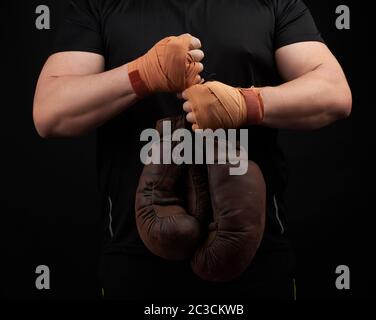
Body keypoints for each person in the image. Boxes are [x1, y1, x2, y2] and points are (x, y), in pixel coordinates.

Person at [33, 0, 352, 300]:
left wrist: (247, 103)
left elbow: (334, 93)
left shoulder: (272, 2)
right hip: (135, 264)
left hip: (258, 260)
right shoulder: (100, 5)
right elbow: (50, 113)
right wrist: (141, 74)